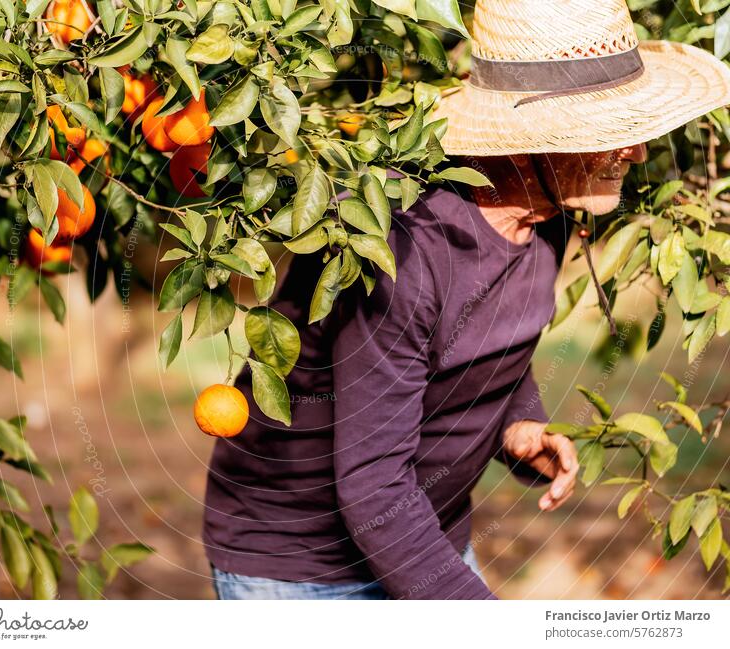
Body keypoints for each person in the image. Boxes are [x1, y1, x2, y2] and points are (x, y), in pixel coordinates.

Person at [202, 0, 730, 599]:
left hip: (424, 537)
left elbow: (472, 342)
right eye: (610, 134)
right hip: (303, 563)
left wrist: (518, 424)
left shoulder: (546, 217)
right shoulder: (410, 247)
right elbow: (374, 483)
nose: (636, 153)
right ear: (536, 139)